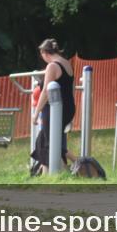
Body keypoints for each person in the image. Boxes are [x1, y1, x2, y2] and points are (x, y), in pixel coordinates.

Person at [30, 38, 77, 175]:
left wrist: (36, 112)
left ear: (45, 52)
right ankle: (46, 174)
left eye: (42, 55)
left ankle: (68, 171)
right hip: (68, 107)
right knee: (43, 141)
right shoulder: (67, 63)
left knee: (50, 142)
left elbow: (45, 91)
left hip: (55, 108)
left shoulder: (52, 66)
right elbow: (70, 88)